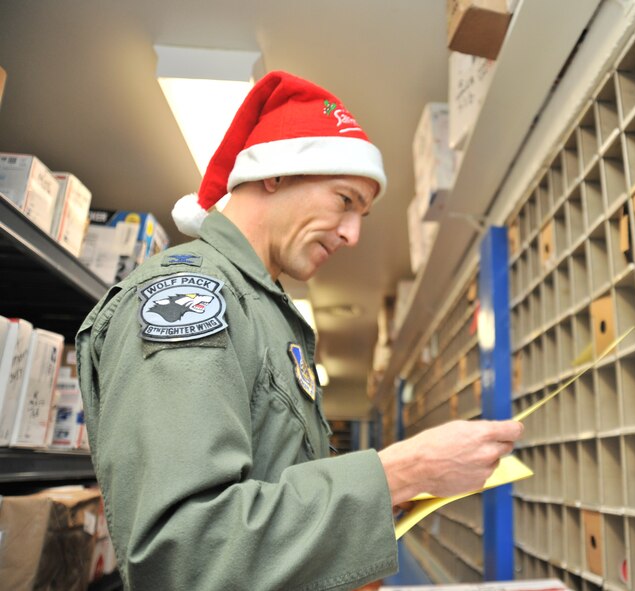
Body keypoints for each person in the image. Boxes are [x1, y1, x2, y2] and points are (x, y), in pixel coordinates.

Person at [76, 70, 523, 590]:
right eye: (345, 200)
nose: (354, 234)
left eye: (363, 213)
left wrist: (364, 528)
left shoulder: (263, 310)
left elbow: (272, 486)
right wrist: (401, 471)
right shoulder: (195, 296)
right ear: (276, 174)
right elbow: (183, 552)